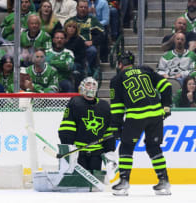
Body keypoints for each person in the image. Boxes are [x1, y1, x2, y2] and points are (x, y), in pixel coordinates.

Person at [110, 51, 172, 196]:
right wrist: (166, 107)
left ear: (120, 64)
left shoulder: (117, 79)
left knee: (126, 147)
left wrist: (116, 126)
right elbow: (166, 86)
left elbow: (117, 107)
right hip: (156, 115)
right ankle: (164, 181)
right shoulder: (146, 70)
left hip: (136, 116)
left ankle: (124, 182)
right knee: (153, 147)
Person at [58, 77, 116, 171]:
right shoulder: (75, 102)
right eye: (88, 84)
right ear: (82, 87)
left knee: (94, 182)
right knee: (80, 182)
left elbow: (109, 130)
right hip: (79, 151)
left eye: (94, 85)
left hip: (97, 152)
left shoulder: (105, 106)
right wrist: (68, 146)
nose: (91, 87)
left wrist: (110, 150)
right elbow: (67, 127)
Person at [65, 0, 104, 77]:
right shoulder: (70, 20)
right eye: (81, 7)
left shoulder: (93, 20)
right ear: (77, 8)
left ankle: (86, 69)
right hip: (73, 45)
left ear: (88, 9)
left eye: (85, 7)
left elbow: (101, 35)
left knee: (92, 50)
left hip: (87, 46)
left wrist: (92, 42)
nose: (83, 9)